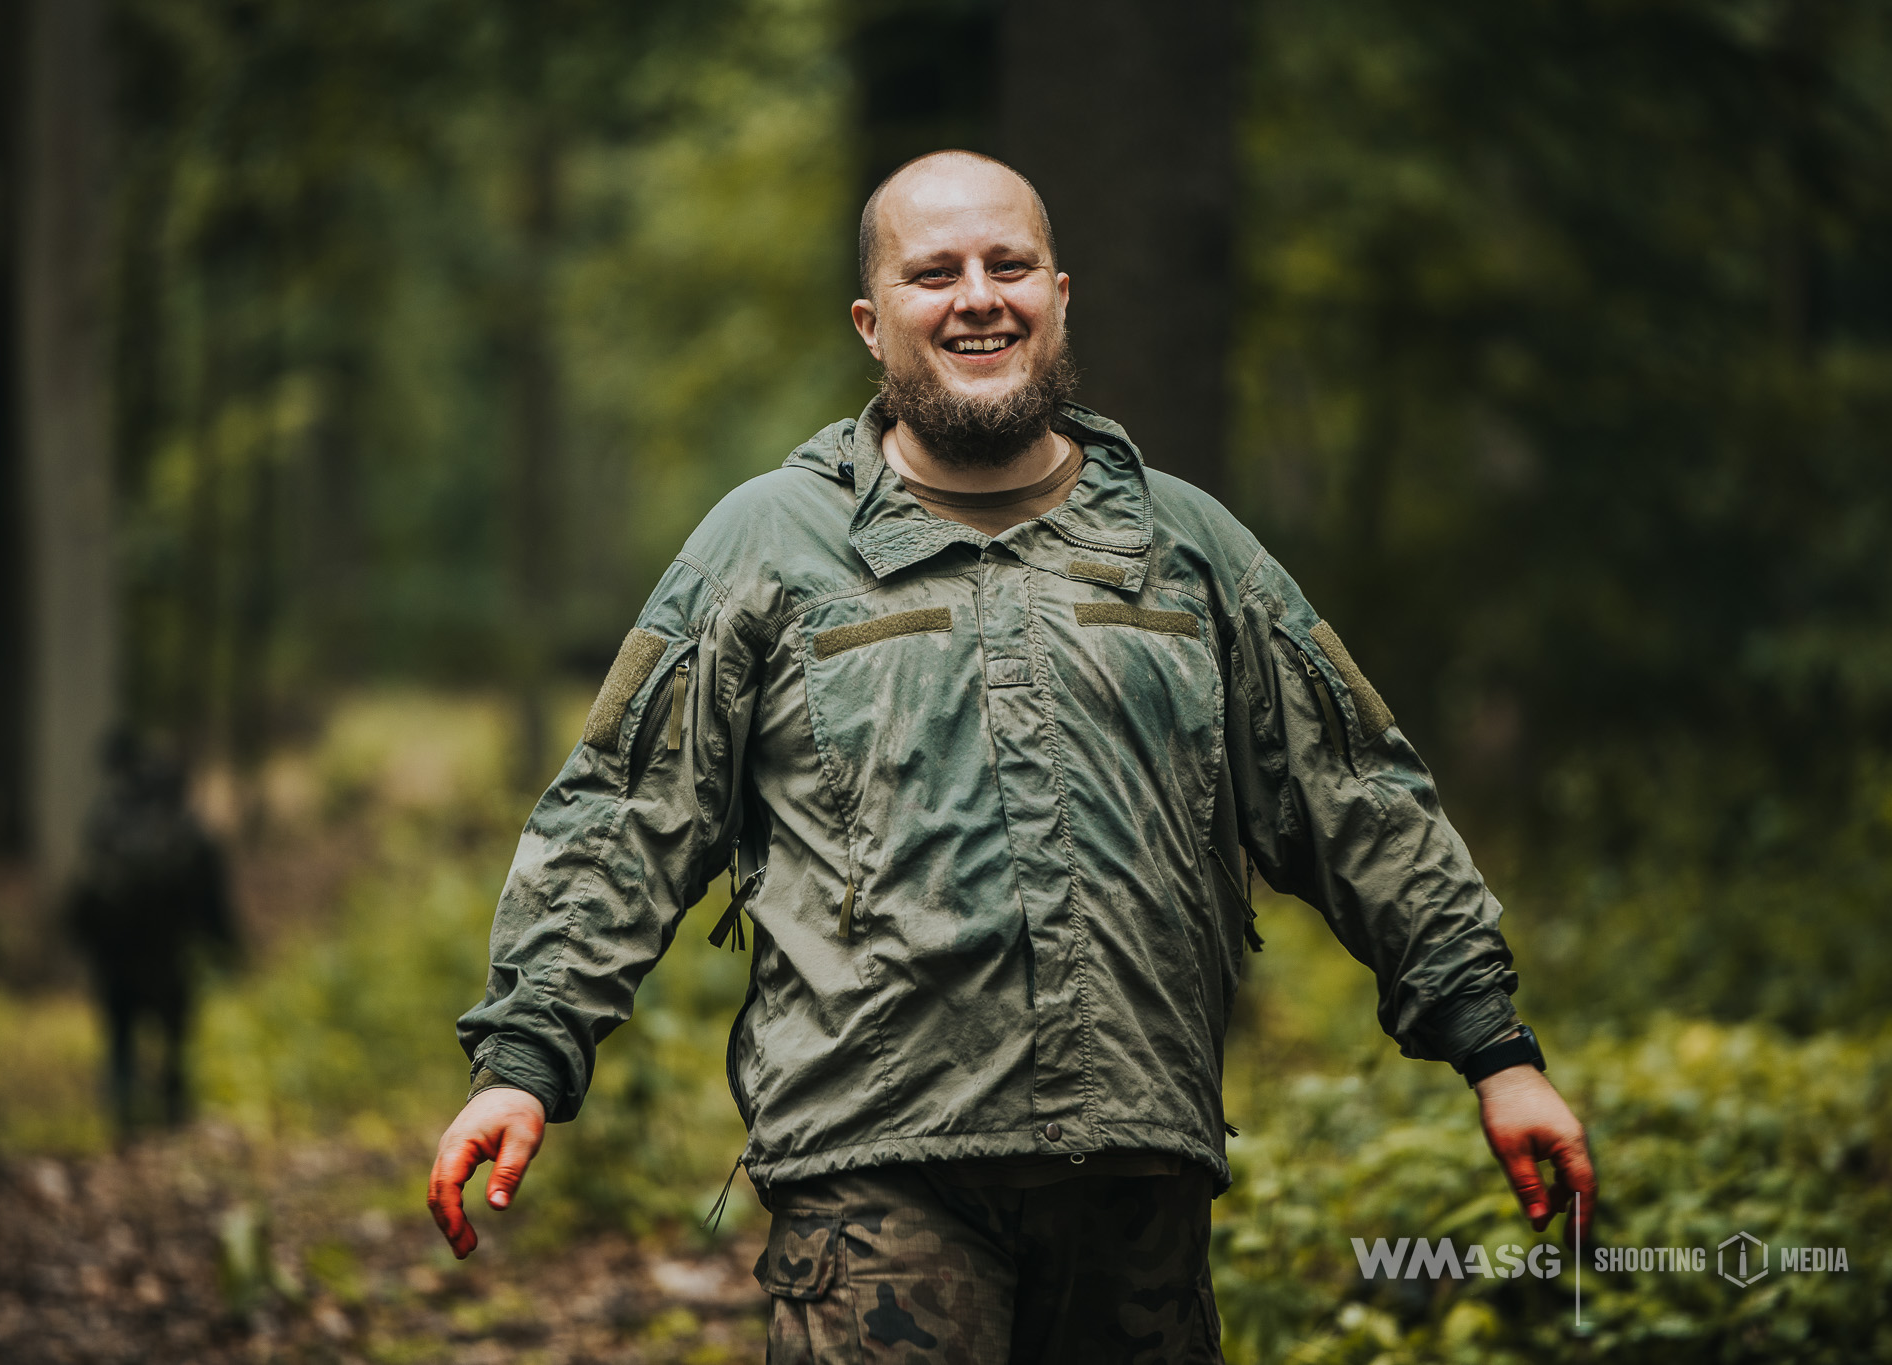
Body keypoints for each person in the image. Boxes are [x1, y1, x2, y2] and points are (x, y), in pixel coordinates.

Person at [430, 150, 1595, 1363]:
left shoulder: (1185, 548)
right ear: (872, 326)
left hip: (1136, 1175)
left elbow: (1354, 798)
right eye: (933, 273)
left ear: (1058, 292)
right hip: (871, 1175)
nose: (977, 295)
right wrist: (524, 1059)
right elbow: (623, 812)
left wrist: (1493, 1051)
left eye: (1009, 265)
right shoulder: (767, 546)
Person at [66, 731, 236, 1136]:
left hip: (113, 953)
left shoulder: (106, 819)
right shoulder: (189, 831)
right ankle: (172, 1112)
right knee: (174, 1034)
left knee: (120, 1032)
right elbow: (213, 903)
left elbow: (84, 889)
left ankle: (122, 1117)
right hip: (168, 953)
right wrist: (227, 948)